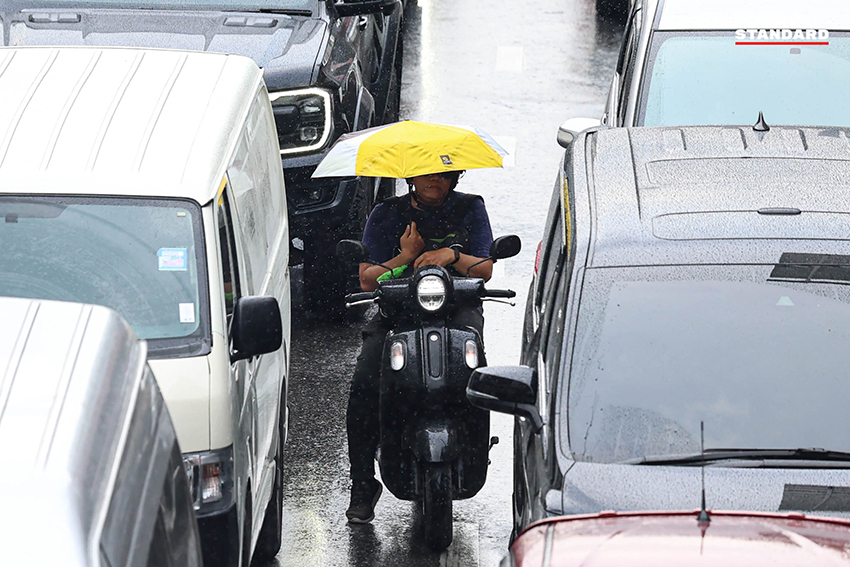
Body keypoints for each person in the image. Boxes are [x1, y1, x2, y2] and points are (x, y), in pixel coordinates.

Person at [345, 170, 495, 523]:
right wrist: (405, 257)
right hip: (396, 313)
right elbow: (368, 278)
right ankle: (363, 484)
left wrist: (451, 256)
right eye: (427, 175)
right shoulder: (386, 213)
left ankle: (473, 445)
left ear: (455, 178)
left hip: (458, 309)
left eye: (443, 175)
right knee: (366, 381)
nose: (435, 181)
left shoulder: (471, 208)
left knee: (476, 373)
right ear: (412, 178)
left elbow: (485, 269)